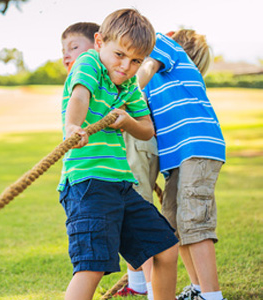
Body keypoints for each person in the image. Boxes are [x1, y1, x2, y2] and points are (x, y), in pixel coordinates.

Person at [58, 9, 179, 300]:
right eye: (120, 54)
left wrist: (128, 122)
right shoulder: (89, 62)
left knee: (166, 248)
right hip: (88, 183)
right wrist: (74, 126)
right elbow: (79, 95)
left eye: (137, 60)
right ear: (99, 42)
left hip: (121, 186)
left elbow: (147, 129)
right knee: (92, 266)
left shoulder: (128, 86)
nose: (126, 66)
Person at [136, 29, 227, 300]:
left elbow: (148, 64)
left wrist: (124, 90)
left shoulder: (165, 46)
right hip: (176, 158)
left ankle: (212, 296)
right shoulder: (159, 81)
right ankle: (198, 289)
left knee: (194, 220)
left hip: (195, 148)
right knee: (174, 225)